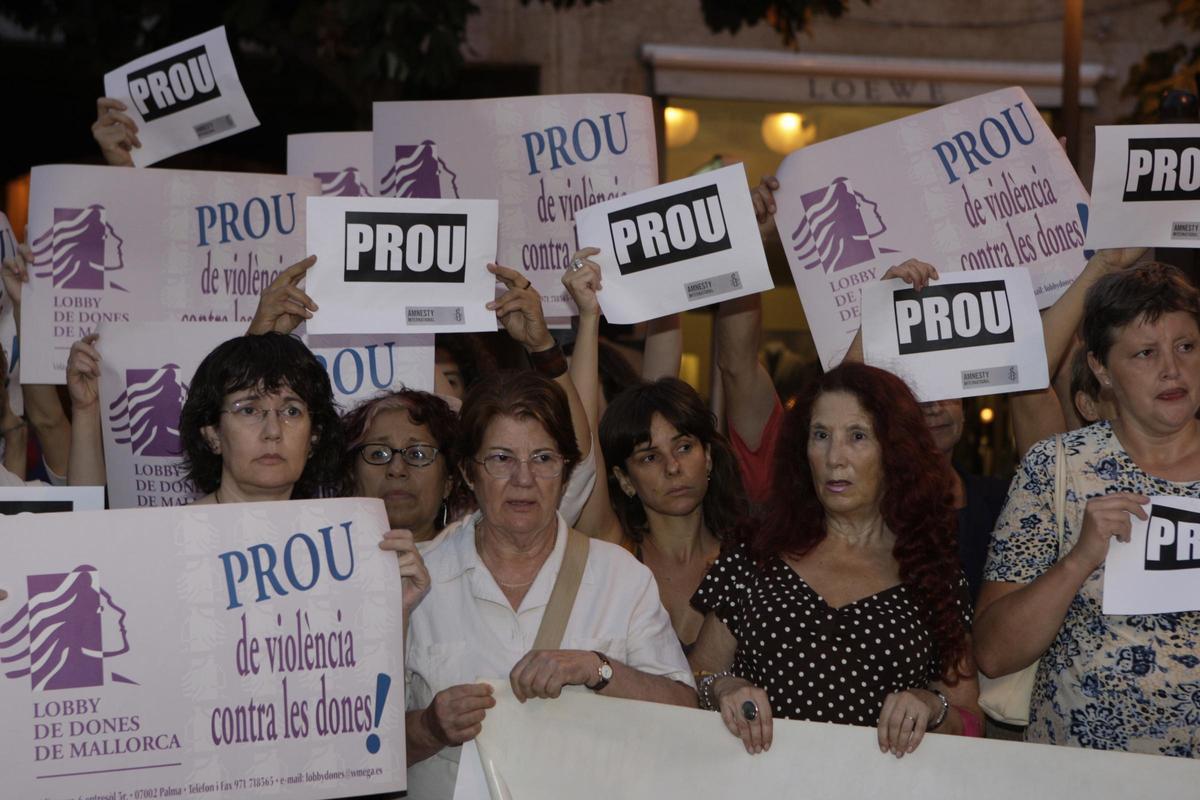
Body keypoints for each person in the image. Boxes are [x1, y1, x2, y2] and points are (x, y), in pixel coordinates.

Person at [404, 370, 695, 798]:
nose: (524, 480)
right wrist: (429, 727)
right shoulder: (415, 581)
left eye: (543, 459)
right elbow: (362, 746)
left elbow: (686, 717)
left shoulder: (620, 576)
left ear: (565, 471)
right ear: (468, 472)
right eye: (501, 459)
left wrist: (597, 668)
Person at [689, 362, 981, 757]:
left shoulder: (933, 570)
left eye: (857, 436)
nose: (834, 457)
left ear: (894, 451)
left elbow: (967, 716)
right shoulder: (755, 553)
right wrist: (722, 687)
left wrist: (932, 706)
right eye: (821, 435)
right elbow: (696, 677)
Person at [975, 262, 1200, 757]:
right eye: (1145, 353)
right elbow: (992, 652)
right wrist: (1078, 560)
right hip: (1083, 774)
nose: (1172, 369)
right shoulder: (1058, 468)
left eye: (1186, 346)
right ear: (1101, 369)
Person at [598, 378, 748, 650]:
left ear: (709, 457)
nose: (673, 467)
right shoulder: (616, 557)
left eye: (684, 447)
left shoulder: (750, 559)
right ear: (625, 480)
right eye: (649, 457)